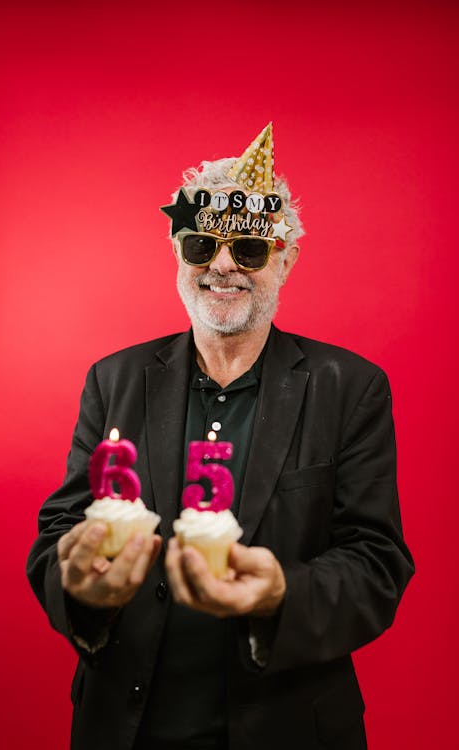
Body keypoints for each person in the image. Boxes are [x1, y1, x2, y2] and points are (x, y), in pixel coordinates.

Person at [27, 123, 414, 750]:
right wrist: (78, 588)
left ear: (287, 259)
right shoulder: (113, 379)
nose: (224, 264)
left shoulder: (351, 388)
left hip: (286, 725)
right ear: (177, 254)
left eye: (252, 249)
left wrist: (281, 592)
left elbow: (376, 563)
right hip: (126, 726)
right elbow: (59, 531)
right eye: (202, 244)